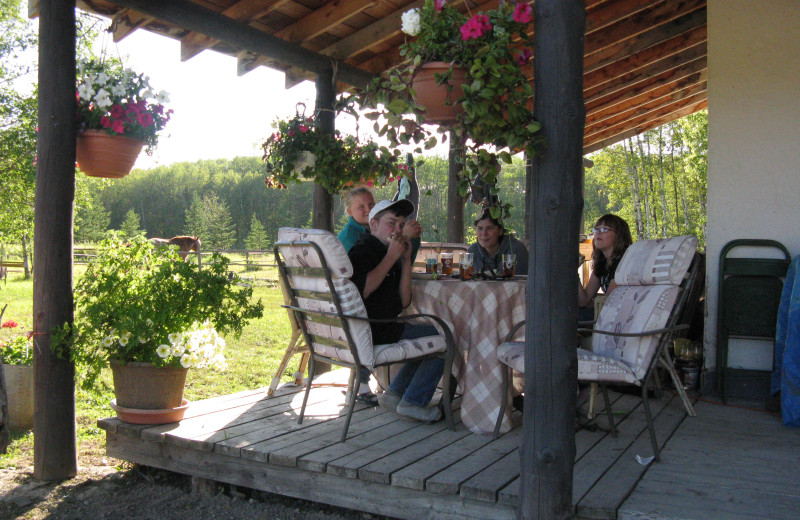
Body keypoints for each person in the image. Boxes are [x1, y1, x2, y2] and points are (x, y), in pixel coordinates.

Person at [348, 199, 444, 423]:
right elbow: (363, 291)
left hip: (387, 326)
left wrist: (405, 259)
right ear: (373, 224)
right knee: (445, 334)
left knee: (435, 331)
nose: (398, 230)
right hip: (372, 330)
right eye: (391, 223)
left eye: (401, 225)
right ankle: (413, 401)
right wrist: (392, 256)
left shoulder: (387, 251)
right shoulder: (362, 251)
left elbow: (404, 301)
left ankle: (396, 395)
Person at [578, 214, 633, 319]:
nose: (598, 233)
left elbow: (608, 301)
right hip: (606, 312)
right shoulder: (602, 263)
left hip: (620, 315)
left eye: (604, 229)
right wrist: (573, 272)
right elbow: (583, 300)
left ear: (619, 235)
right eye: (596, 230)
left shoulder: (623, 262)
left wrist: (592, 303)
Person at [468, 208, 529, 275]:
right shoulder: (473, 251)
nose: (484, 233)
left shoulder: (515, 250)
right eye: (480, 228)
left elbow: (520, 283)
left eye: (490, 228)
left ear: (500, 231)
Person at [338, 186, 375, 253]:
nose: (368, 209)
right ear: (350, 212)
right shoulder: (349, 238)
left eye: (371, 204)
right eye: (361, 207)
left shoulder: (375, 228)